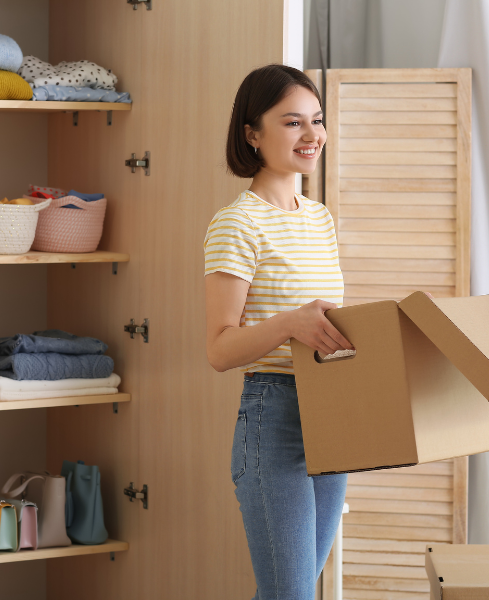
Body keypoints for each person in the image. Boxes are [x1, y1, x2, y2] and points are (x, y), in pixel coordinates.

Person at [203, 64, 355, 600]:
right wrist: (290, 324)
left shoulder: (319, 219)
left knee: (292, 593)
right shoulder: (237, 222)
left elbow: (328, 326)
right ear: (252, 133)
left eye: (316, 120)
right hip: (276, 415)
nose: (312, 135)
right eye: (293, 123)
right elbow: (220, 349)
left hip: (332, 413)